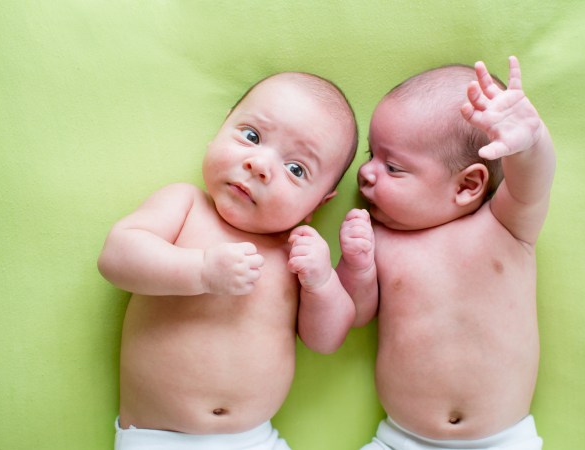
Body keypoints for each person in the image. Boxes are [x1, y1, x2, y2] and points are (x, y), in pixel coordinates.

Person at [98, 71, 358, 450]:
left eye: (296, 169)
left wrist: (322, 284)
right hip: (158, 438)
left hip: (255, 439)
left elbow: (326, 341)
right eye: (251, 136)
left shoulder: (295, 253)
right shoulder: (186, 205)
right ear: (221, 128)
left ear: (317, 205)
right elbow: (116, 257)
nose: (260, 165)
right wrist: (200, 270)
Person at [337, 56, 555, 449]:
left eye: (394, 167)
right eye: (372, 156)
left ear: (468, 185)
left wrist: (532, 141)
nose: (367, 173)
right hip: (401, 439)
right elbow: (357, 313)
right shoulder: (381, 240)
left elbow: (533, 183)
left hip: (503, 440)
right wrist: (356, 266)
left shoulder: (505, 226)